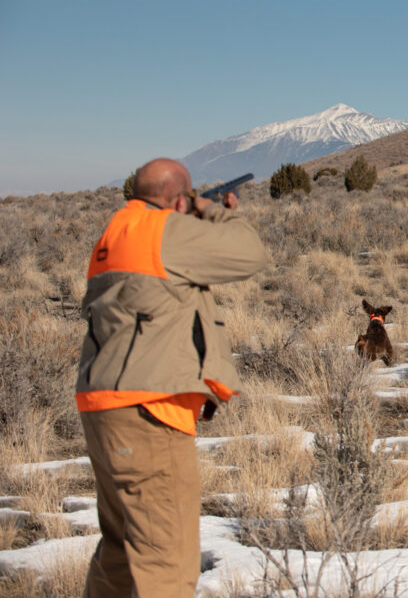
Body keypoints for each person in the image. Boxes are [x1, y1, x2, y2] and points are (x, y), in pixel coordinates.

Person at [76, 158, 268, 597]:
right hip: (148, 413)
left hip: (103, 405)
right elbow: (249, 253)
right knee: (167, 556)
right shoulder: (165, 230)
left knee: (122, 548)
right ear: (178, 199)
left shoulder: (117, 230)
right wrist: (214, 210)